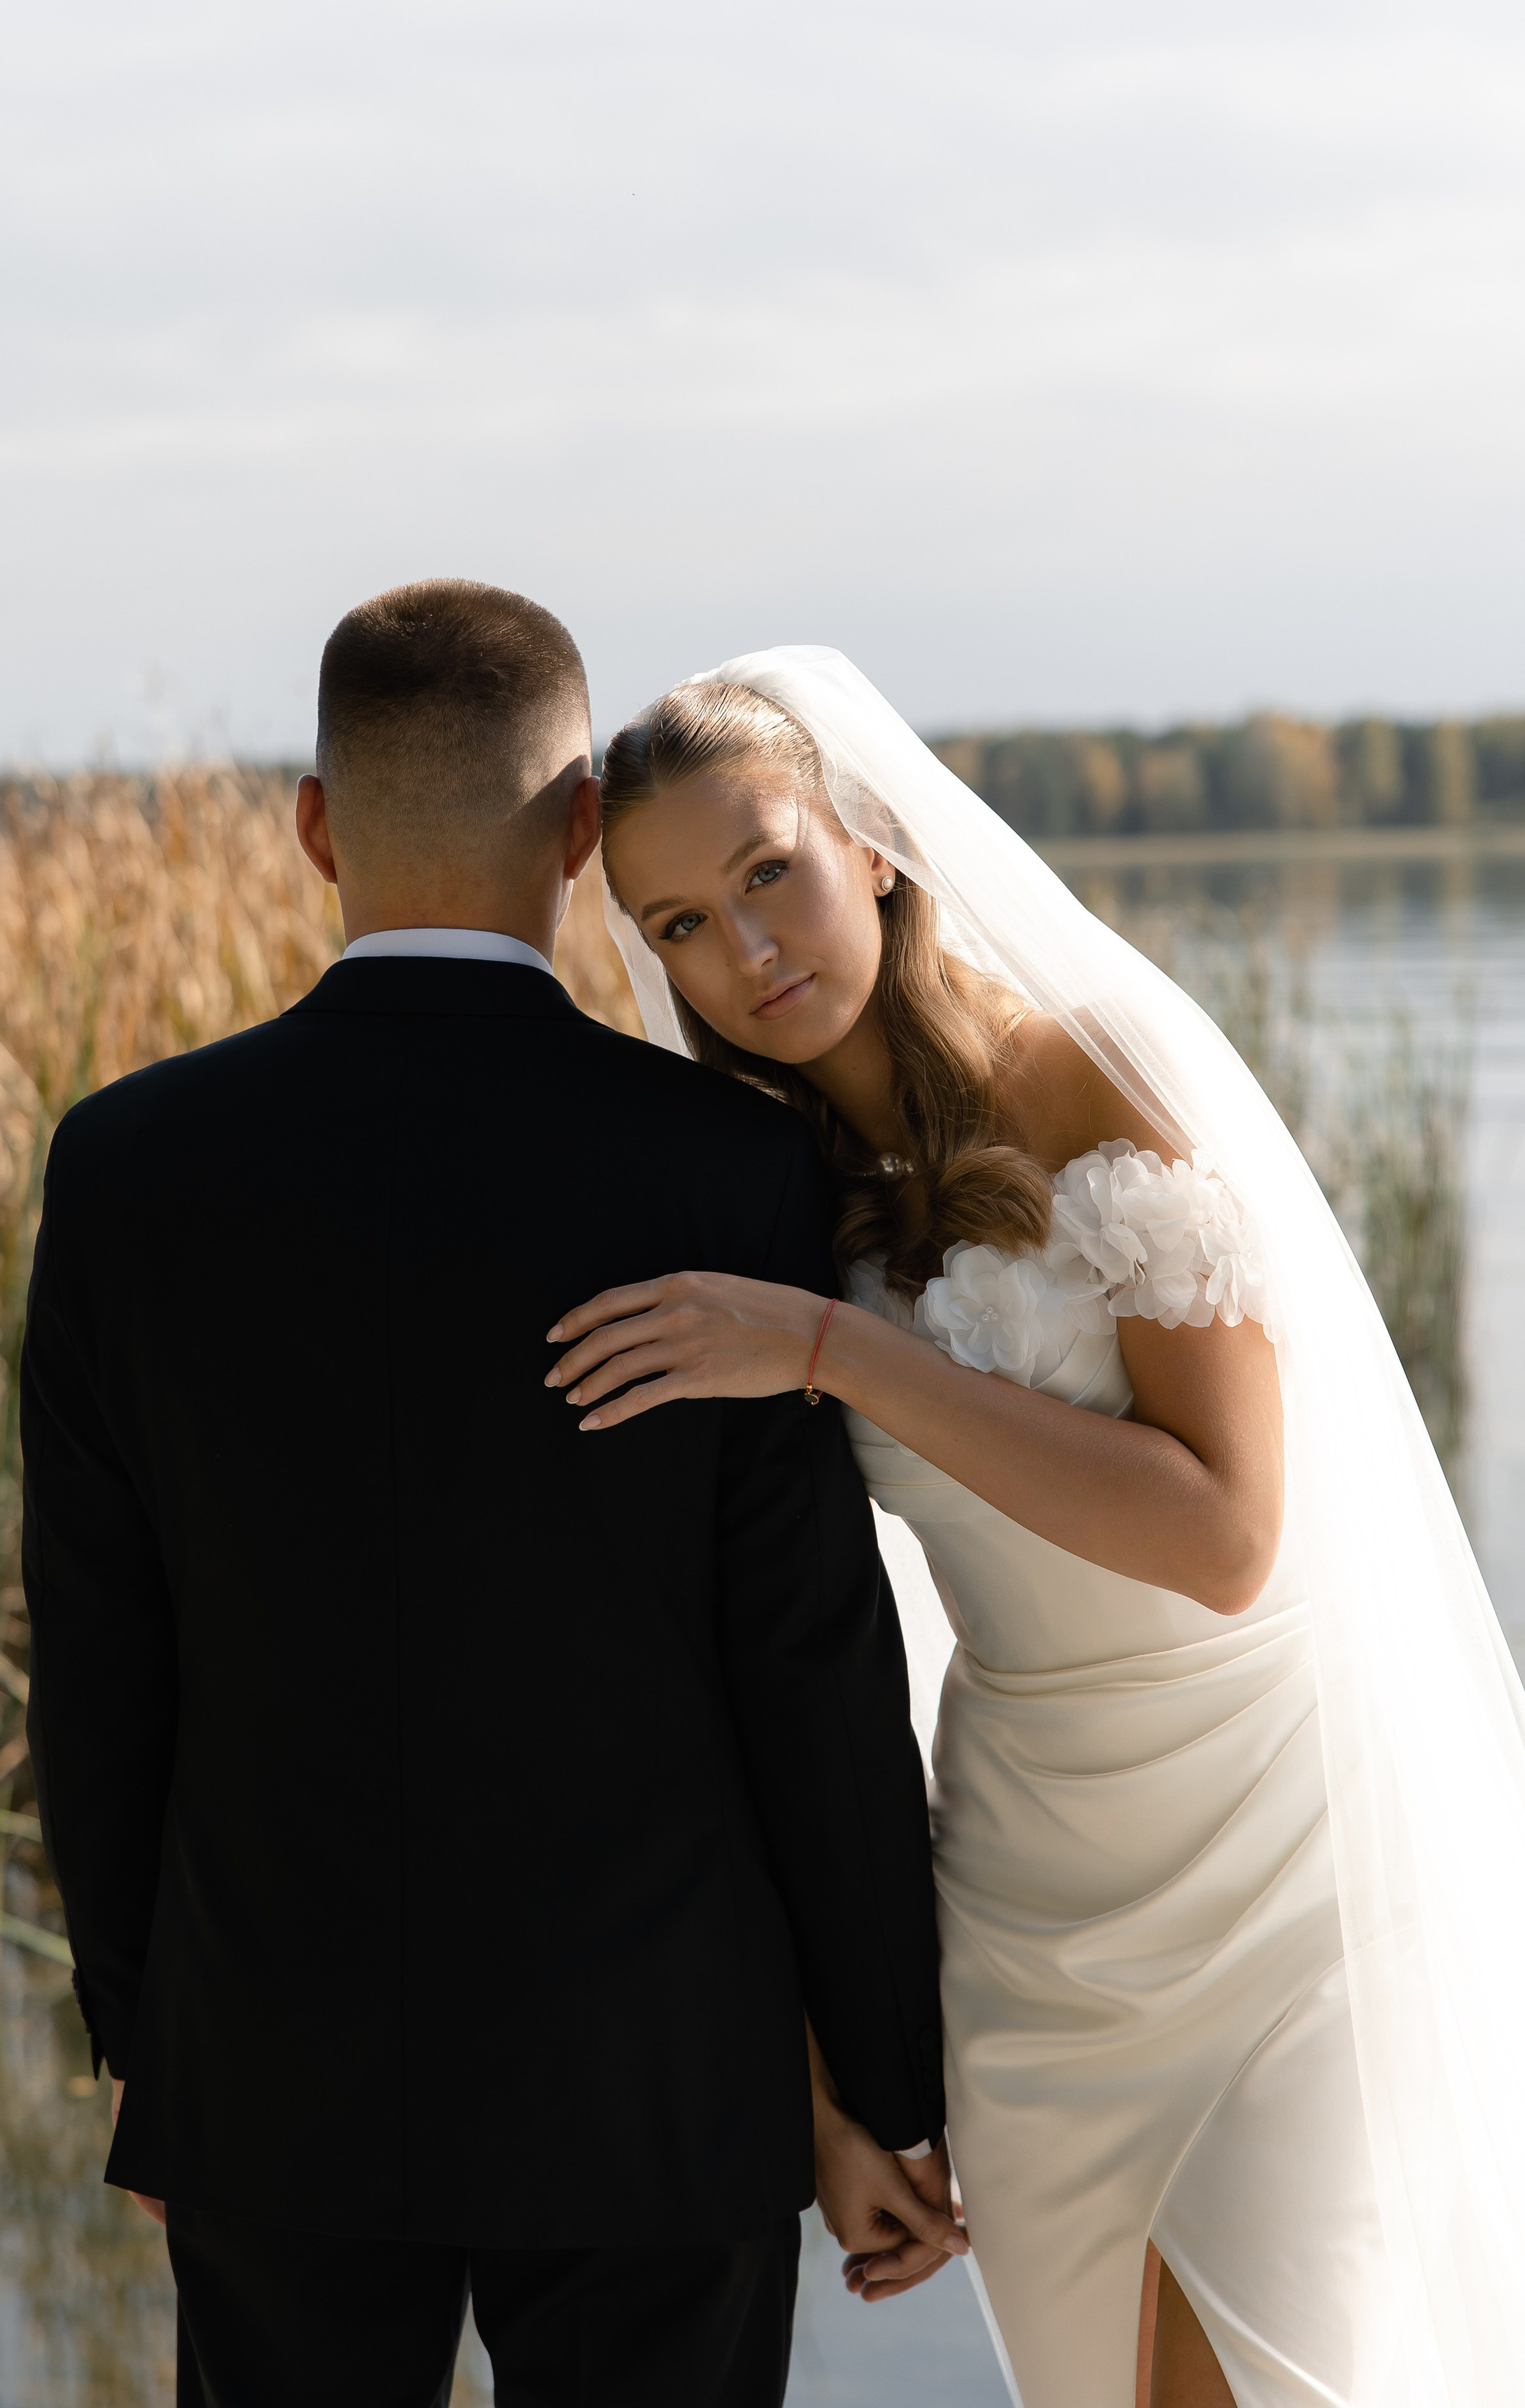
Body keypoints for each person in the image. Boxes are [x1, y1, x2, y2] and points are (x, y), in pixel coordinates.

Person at [548, 647, 1525, 2407]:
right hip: (1026, 1915)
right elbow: (758, 1655)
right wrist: (837, 2083)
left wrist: (832, 1351)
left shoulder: (1092, 1076)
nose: (745, 949)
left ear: (870, 842)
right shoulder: (760, 1201)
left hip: (1285, 1870)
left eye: (767, 870)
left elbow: (1223, 1533)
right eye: (679, 923)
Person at [20, 584, 961, 2408]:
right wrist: (878, 2080)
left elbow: (100, 1651)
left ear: (316, 826)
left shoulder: (125, 1167)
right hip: (655, 2075)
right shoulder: (726, 1166)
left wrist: (148, 2042)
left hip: (266, 2064)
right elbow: (807, 1664)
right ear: (583, 829)